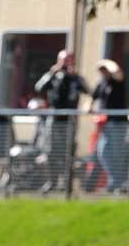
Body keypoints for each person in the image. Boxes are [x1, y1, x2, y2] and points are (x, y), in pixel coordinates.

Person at [34, 49, 89, 193]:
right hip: (54, 118)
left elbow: (88, 90)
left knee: (68, 151)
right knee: (51, 151)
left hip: (69, 119)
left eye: (68, 60)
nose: (65, 63)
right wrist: (51, 73)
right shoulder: (53, 76)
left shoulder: (75, 78)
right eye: (63, 60)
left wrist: (75, 76)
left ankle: (66, 183)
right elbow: (39, 88)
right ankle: (52, 181)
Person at [90, 59, 128, 193]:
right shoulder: (101, 84)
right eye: (101, 69)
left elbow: (118, 72)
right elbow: (92, 98)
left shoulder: (117, 81)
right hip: (105, 124)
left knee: (118, 154)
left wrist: (108, 62)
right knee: (103, 152)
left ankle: (120, 184)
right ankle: (117, 181)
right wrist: (90, 109)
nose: (103, 71)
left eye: (104, 69)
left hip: (119, 123)